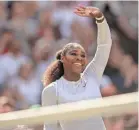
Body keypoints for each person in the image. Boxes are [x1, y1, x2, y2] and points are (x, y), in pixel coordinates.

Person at [42, 5, 112, 130]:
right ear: (63, 58)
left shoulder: (92, 77)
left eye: (83, 55)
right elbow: (50, 127)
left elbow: (104, 46)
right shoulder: (52, 90)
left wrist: (100, 19)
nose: (79, 58)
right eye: (73, 54)